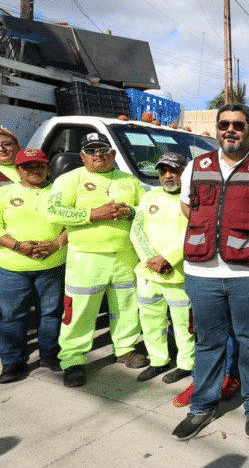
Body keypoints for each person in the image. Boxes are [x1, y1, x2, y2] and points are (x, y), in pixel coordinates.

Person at [172, 104, 249, 441]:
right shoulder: (197, 165)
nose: (230, 130)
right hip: (201, 273)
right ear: (217, 128)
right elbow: (186, 204)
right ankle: (202, 406)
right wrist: (207, 227)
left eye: (238, 125)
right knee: (208, 342)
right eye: (224, 124)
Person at [47, 132, 147, 388]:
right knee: (79, 310)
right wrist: (93, 214)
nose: (98, 154)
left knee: (125, 307)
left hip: (124, 256)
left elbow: (146, 211)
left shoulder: (129, 180)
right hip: (85, 258)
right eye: (91, 151)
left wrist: (131, 211)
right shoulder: (71, 179)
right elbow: (53, 211)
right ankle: (73, 359)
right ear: (82, 156)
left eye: (103, 149)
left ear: (112, 153)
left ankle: (124, 348)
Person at [0, 148, 67, 383]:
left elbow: (74, 221)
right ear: (17, 171)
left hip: (52, 265)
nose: (34, 170)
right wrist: (18, 246)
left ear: (48, 168)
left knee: (50, 313)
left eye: (39, 165)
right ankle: (12, 361)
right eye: (27, 166)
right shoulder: (5, 193)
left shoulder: (61, 192)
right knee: (12, 316)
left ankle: (49, 354)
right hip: (12, 268)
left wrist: (56, 244)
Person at [130, 152, 194, 382]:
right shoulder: (149, 197)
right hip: (149, 273)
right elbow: (136, 230)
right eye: (163, 171)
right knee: (150, 320)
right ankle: (158, 360)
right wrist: (153, 260)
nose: (168, 175)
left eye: (174, 170)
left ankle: (186, 363)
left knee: (183, 323)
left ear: (184, 173)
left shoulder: (192, 199)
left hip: (178, 274)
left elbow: (193, 233)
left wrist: (168, 258)